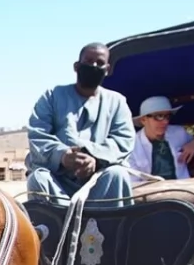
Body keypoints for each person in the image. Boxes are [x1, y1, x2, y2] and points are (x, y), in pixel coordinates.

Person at [25, 42, 136, 208]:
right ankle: (57, 232)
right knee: (38, 178)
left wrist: (93, 157)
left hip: (99, 178)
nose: (93, 66)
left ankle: (112, 231)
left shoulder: (117, 102)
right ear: (77, 66)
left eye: (99, 63)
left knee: (117, 174)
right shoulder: (52, 96)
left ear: (107, 69)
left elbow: (123, 140)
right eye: (88, 61)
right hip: (58, 179)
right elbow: (37, 135)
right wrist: (63, 156)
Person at [125, 95, 194, 180]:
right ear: (144, 120)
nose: (165, 121)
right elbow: (133, 182)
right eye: (159, 116)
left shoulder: (178, 133)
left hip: (183, 188)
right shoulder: (132, 146)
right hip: (149, 191)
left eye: (167, 116)